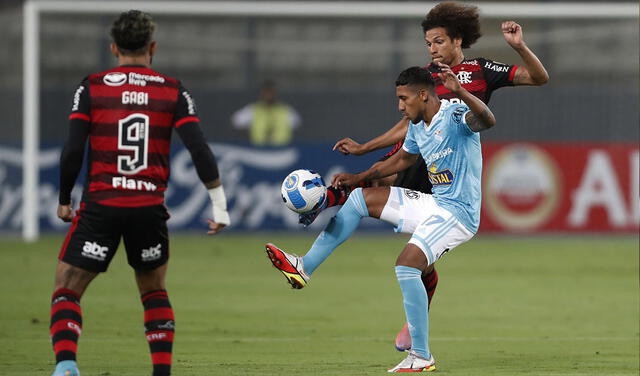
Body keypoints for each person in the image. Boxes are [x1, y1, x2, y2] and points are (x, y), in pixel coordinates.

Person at [305, 1, 549, 351]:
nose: (432, 49)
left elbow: (539, 78)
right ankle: (323, 205)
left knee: (412, 250)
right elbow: (406, 125)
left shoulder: (480, 70)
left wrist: (519, 47)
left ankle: (416, 326)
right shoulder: (425, 78)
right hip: (420, 153)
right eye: (428, 44)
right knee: (370, 183)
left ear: (456, 40)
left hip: (450, 168)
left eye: (437, 42)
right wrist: (364, 148)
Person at [266, 64, 496, 372]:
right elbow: (403, 159)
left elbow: (487, 120)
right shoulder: (417, 125)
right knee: (360, 199)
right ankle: (304, 267)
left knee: (406, 265)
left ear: (423, 95)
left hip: (459, 213)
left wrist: (460, 91)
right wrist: (360, 177)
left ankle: (421, 356)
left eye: (404, 99)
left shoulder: (454, 114)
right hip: (436, 203)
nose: (400, 106)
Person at [50, 10, 230, 376]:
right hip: (149, 205)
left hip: (102, 203)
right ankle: (161, 373)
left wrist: (65, 198)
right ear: (153, 47)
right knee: (153, 291)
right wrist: (219, 206)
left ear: (113, 47)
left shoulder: (93, 86)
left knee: (67, 288)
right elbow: (198, 148)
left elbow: (72, 150)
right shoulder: (172, 88)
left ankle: (67, 365)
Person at [231, 80, 301, 146]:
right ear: (261, 93)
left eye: (271, 92)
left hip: (281, 150)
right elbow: (237, 121)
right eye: (266, 92)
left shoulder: (285, 110)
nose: (268, 95)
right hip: (259, 149)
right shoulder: (253, 109)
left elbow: (296, 123)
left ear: (275, 93)